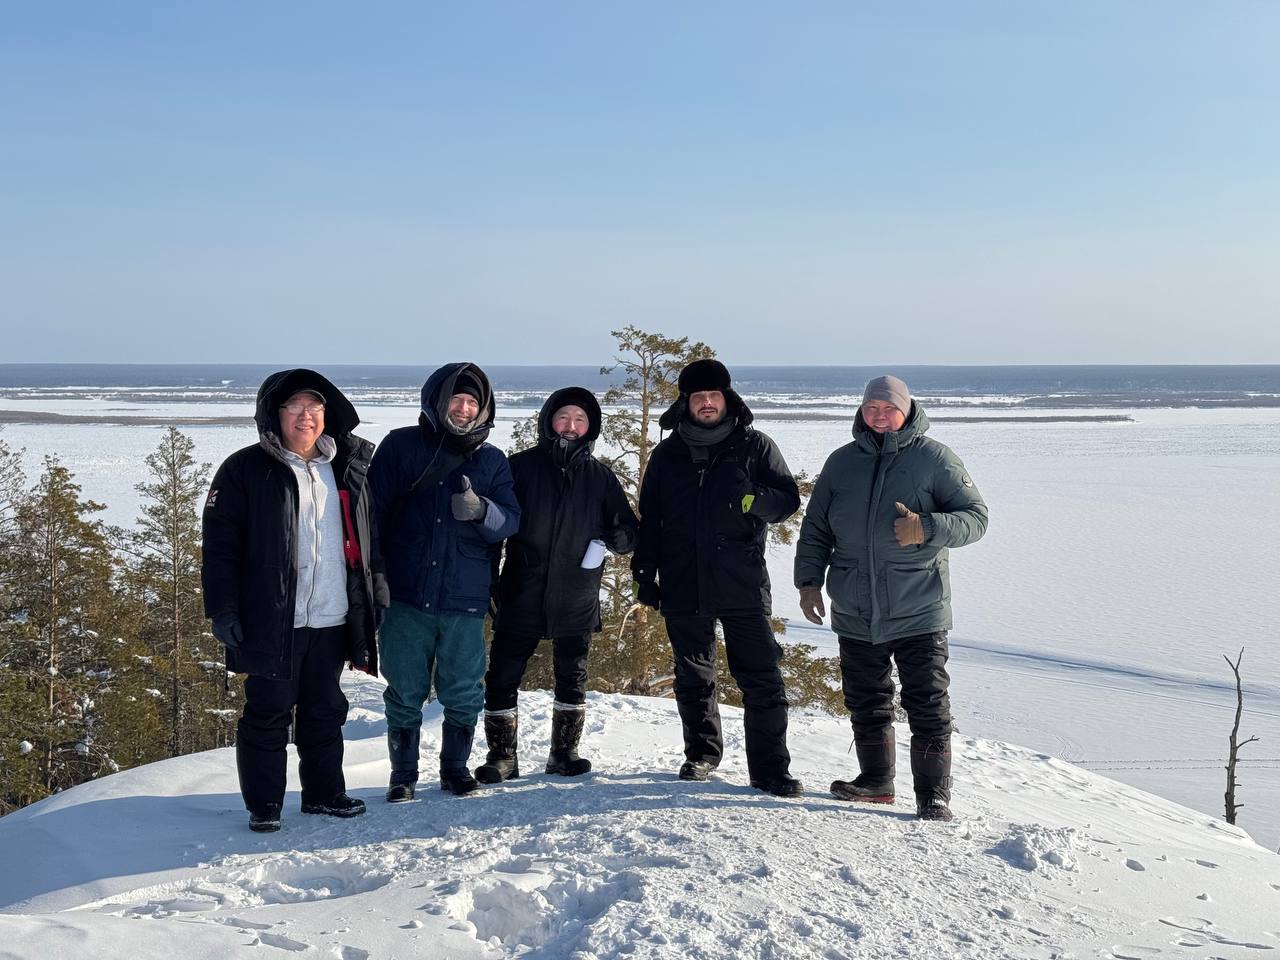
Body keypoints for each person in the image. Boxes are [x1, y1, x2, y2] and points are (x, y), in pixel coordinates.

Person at [794, 375, 988, 822]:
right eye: (871, 408)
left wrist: (928, 528)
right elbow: (816, 529)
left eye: (888, 408)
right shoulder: (842, 463)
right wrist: (808, 581)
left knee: (927, 702)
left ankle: (933, 796)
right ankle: (877, 781)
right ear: (861, 411)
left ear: (906, 409)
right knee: (866, 698)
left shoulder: (934, 458)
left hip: (918, 605)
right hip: (855, 607)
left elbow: (976, 518)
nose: (879, 416)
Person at [202, 369, 386, 833]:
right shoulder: (245, 469)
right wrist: (222, 608)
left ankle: (324, 794)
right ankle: (264, 804)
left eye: (315, 408)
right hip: (271, 616)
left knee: (325, 709)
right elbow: (220, 545)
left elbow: (369, 538)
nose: (306, 417)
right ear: (275, 415)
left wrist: (374, 594)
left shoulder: (349, 466)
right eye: (295, 408)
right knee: (269, 711)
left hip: (331, 613)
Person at [631, 358, 803, 796]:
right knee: (693, 677)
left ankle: (769, 770)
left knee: (762, 677)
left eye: (714, 396)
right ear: (686, 403)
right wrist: (644, 572)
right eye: (698, 397)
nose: (707, 403)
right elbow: (650, 519)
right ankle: (702, 755)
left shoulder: (755, 446)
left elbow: (786, 503)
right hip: (682, 581)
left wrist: (752, 498)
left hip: (741, 581)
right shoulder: (667, 454)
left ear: (727, 399)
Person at [368, 362, 520, 798]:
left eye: (473, 401)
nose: (464, 408)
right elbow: (371, 515)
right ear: (438, 400)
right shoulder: (400, 447)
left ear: (484, 409)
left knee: (463, 687)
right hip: (407, 593)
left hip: (464, 597)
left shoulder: (492, 460)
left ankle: (455, 769)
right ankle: (403, 775)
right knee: (404, 687)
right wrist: (375, 577)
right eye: (457, 398)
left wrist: (482, 511)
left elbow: (511, 520)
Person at [476, 387, 639, 783]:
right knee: (502, 675)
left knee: (572, 675)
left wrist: (615, 538)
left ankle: (564, 753)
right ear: (549, 420)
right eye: (563, 417)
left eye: (579, 420)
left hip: (576, 594)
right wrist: (489, 583)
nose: (570, 426)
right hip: (522, 590)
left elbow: (629, 533)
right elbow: (493, 529)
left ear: (590, 427)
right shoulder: (519, 468)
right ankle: (502, 757)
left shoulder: (600, 477)